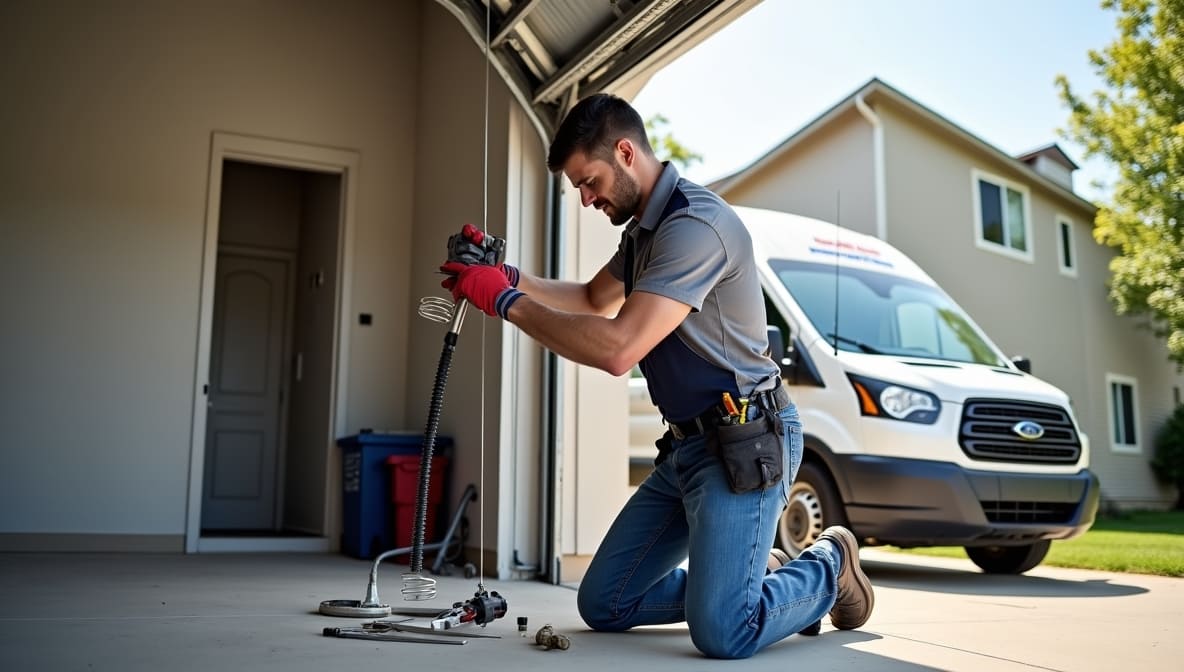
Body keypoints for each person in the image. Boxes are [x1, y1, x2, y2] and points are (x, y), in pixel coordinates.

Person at [440, 93, 873, 659]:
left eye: (589, 181)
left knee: (724, 632)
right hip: (690, 451)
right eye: (578, 188)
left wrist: (506, 302)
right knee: (605, 603)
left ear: (625, 152)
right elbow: (594, 297)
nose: (586, 197)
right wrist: (506, 274)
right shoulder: (644, 231)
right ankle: (751, 575)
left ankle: (829, 562)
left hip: (745, 444)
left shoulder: (696, 226)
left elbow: (619, 347)